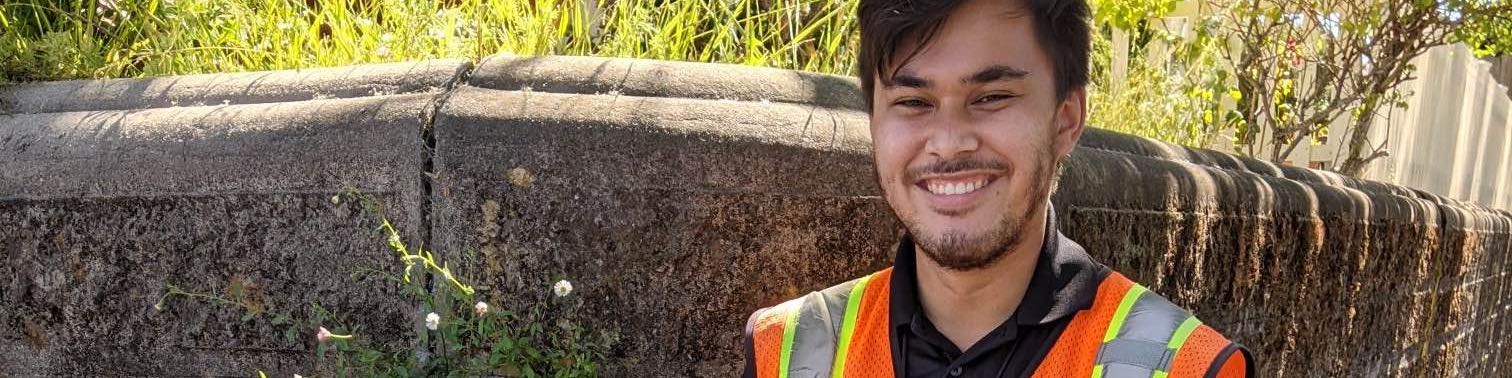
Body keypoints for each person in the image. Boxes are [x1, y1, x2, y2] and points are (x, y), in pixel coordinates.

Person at [740, 0, 1254, 376]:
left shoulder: (1188, 366)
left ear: (1066, 120)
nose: (948, 143)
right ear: (873, 122)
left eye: (991, 96)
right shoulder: (785, 351)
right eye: (914, 102)